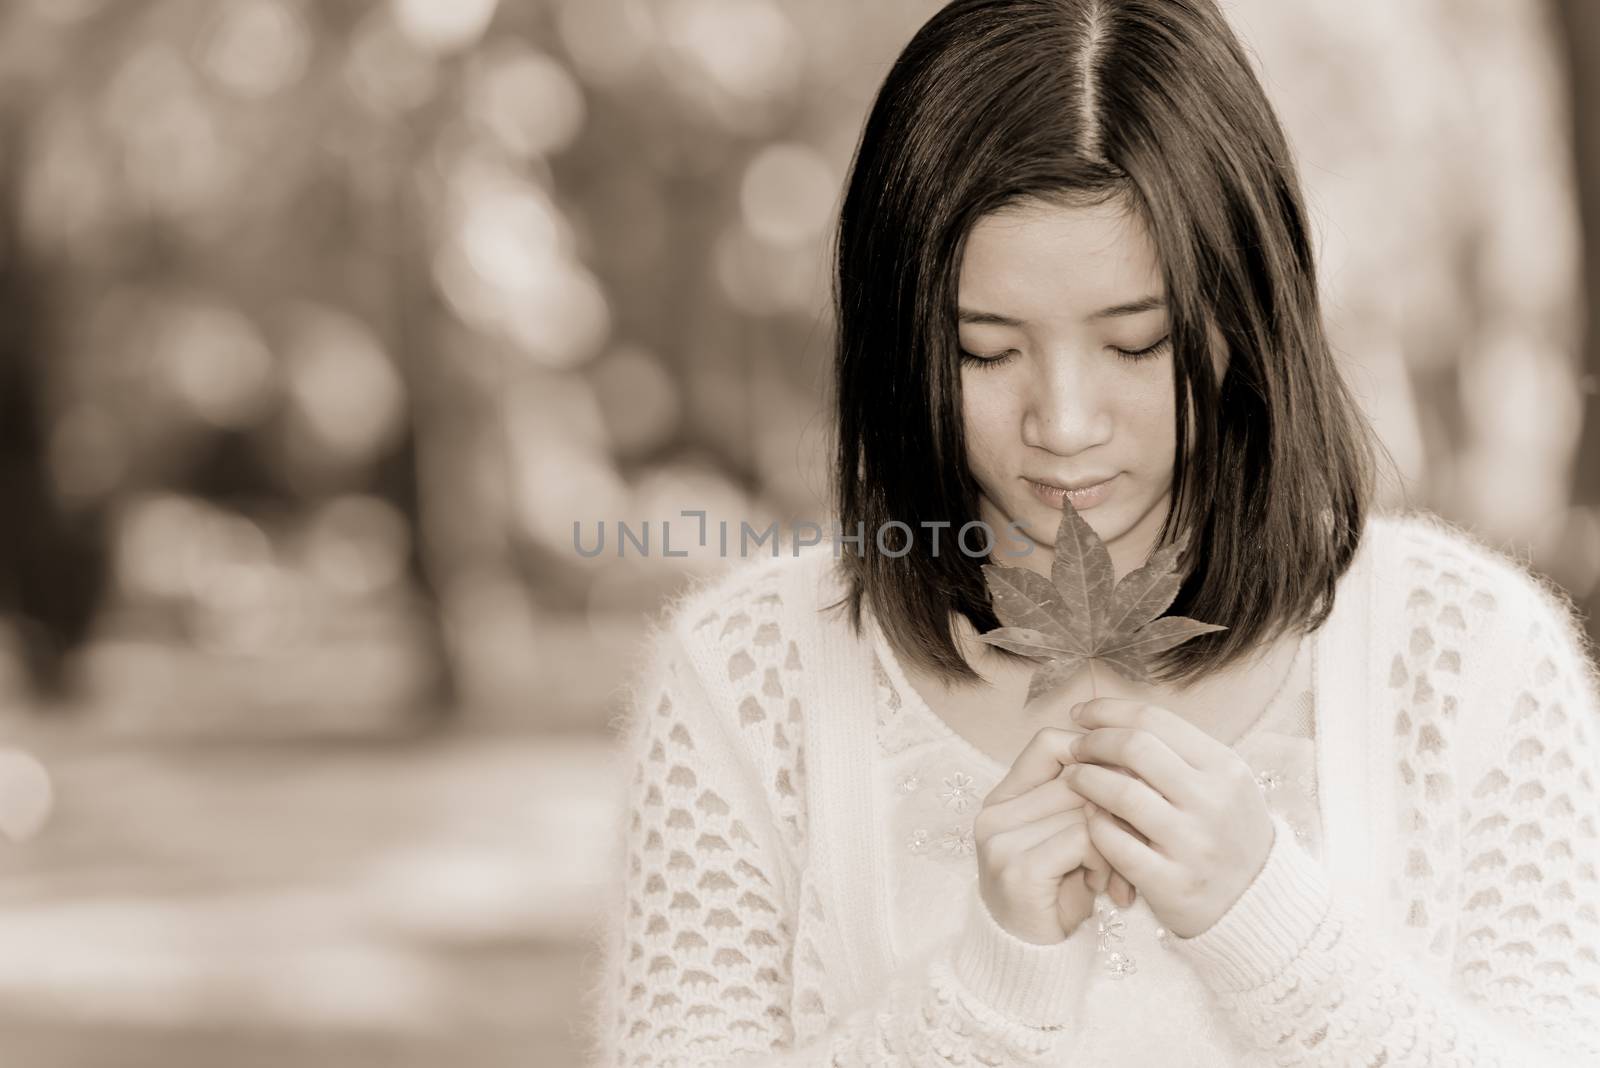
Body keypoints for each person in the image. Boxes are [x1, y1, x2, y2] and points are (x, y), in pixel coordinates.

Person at [586, 0, 1600, 1063]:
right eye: (985, 351)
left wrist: (1268, 927)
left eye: (1135, 344)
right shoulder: (754, 675)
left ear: (1246, 320)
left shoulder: (1466, 653)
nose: (1062, 425)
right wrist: (992, 987)